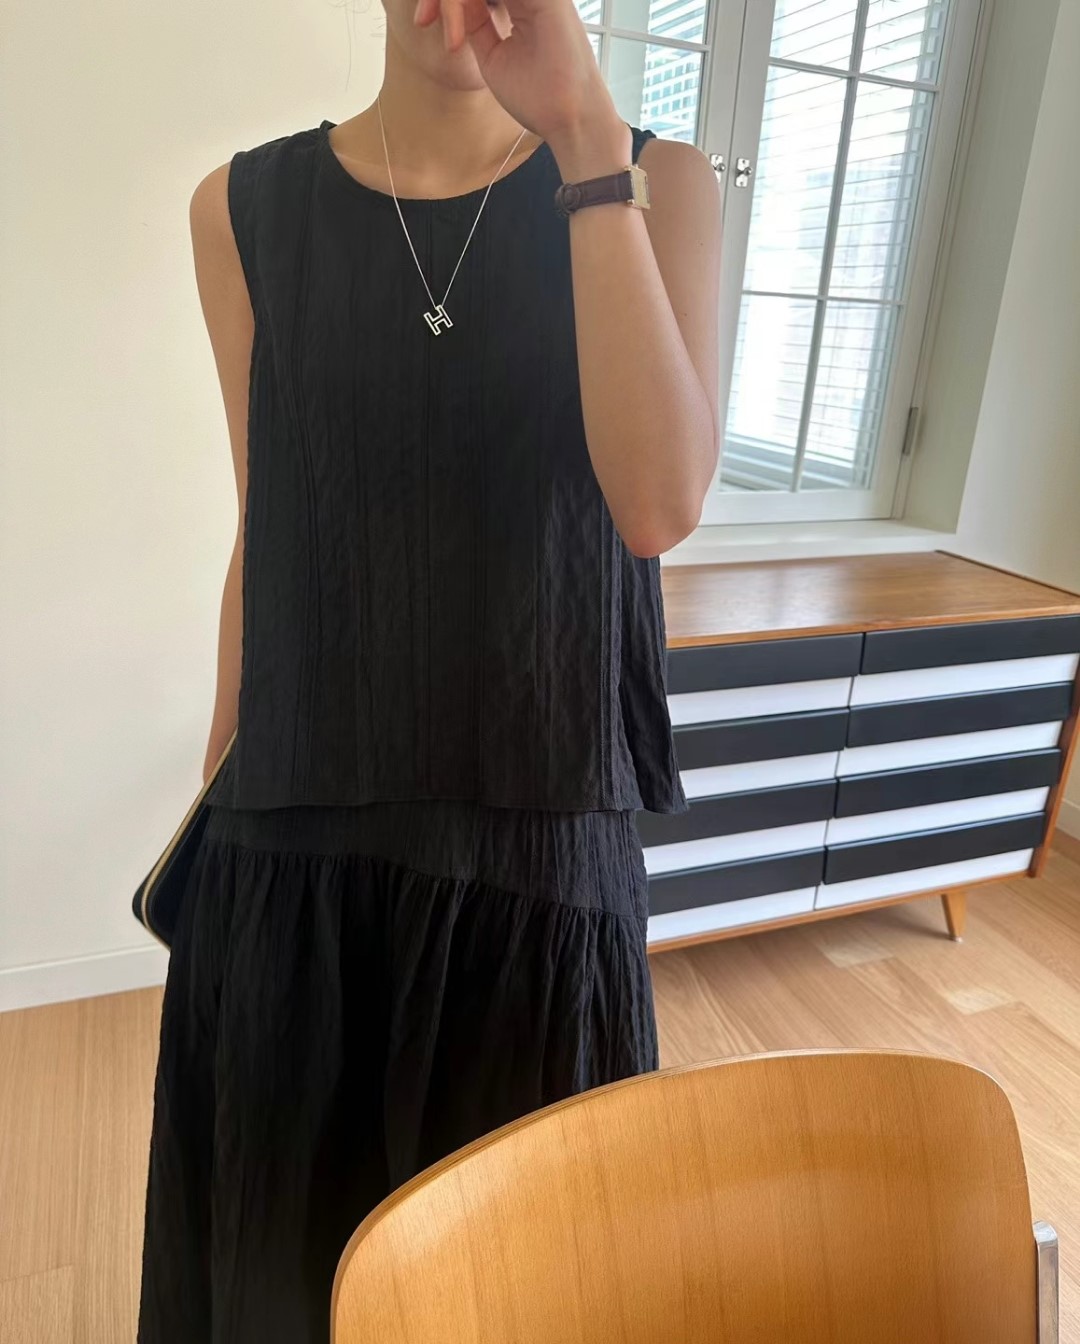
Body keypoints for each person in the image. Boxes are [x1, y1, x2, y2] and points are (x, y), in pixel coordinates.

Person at [136, 0, 720, 1335]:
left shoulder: (657, 181)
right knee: (285, 1290)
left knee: (524, 1295)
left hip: (538, 872)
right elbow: (271, 526)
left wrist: (582, 137)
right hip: (295, 864)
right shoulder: (240, 211)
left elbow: (655, 505)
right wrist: (219, 811)